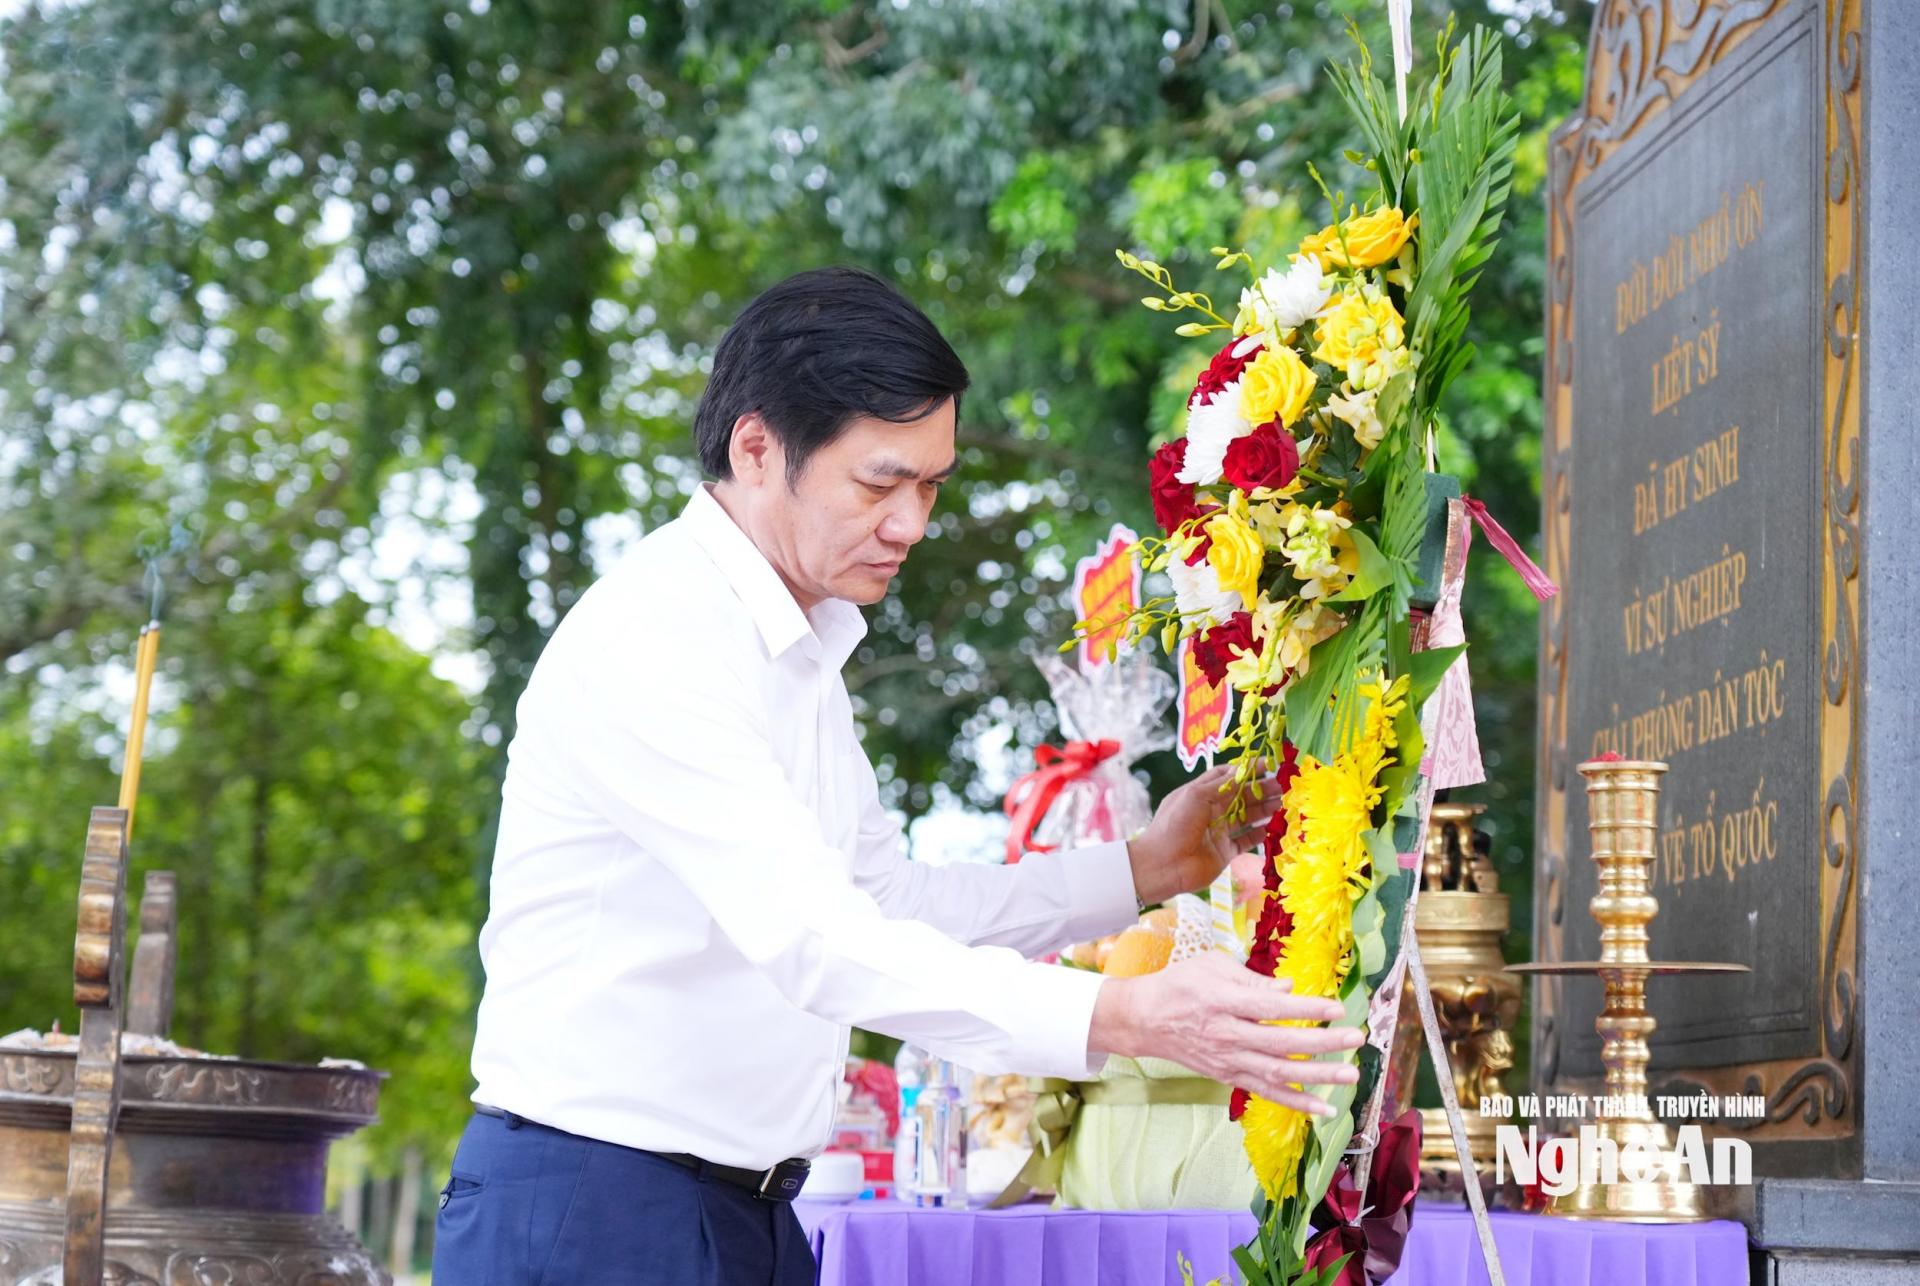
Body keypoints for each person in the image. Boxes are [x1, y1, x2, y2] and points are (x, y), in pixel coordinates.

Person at [432, 266, 1364, 1284]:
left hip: (733, 1206)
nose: (911, 523)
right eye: (880, 484)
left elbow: (889, 903)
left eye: (931, 486)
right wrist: (1124, 1015)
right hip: (598, 1210)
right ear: (756, 449)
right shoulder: (662, 637)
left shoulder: (799, 651)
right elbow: (820, 941)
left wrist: (1144, 868)